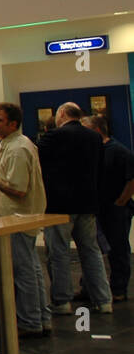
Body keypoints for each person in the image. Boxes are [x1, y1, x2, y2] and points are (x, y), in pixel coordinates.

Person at [0, 103, 50, 337]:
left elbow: (18, 189)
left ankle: (31, 321)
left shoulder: (18, 148)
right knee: (30, 269)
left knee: (24, 272)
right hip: (13, 217)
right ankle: (40, 316)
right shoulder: (10, 146)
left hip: (17, 218)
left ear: (13, 123)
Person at [38, 102, 111, 314]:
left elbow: (39, 166)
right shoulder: (94, 137)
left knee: (59, 253)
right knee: (91, 251)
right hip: (87, 203)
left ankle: (62, 301)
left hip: (59, 206)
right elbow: (99, 169)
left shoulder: (52, 138)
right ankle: (103, 300)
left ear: (61, 114)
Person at [83, 115, 133, 303]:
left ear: (96, 131)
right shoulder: (94, 152)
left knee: (118, 249)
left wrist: (121, 201)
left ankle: (119, 289)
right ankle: (90, 287)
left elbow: (131, 179)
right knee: (91, 248)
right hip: (97, 208)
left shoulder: (119, 151)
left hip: (116, 209)